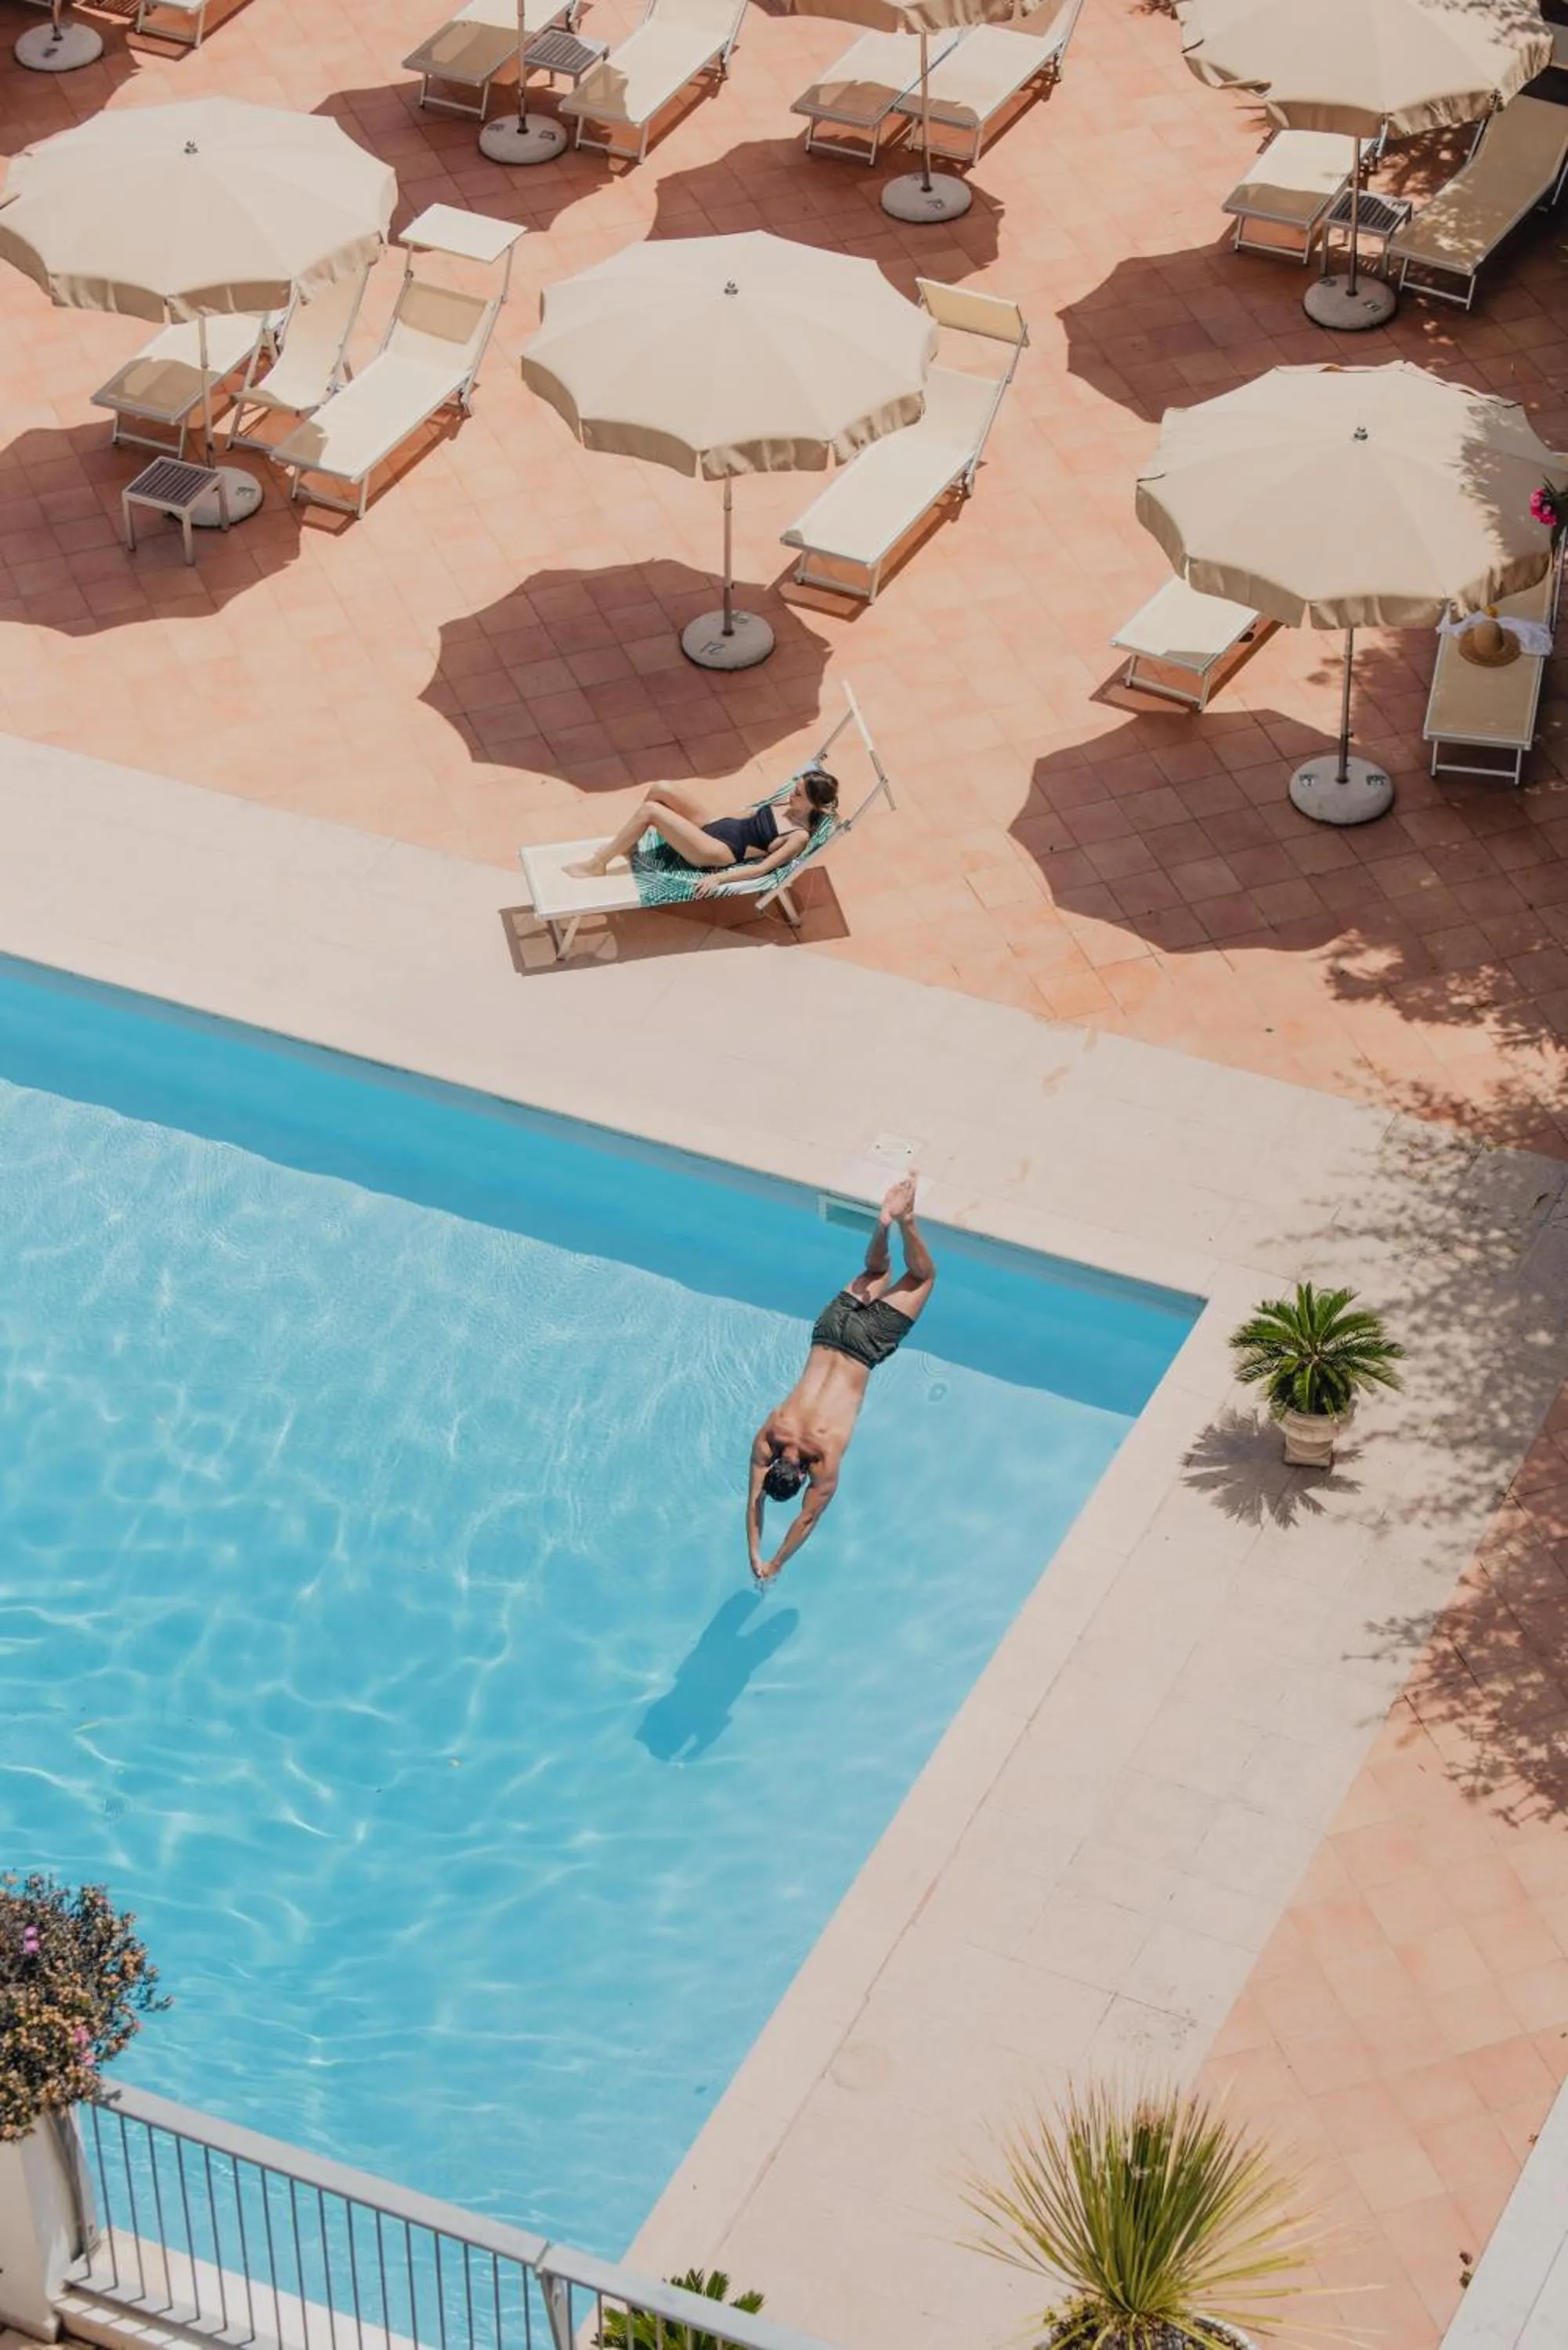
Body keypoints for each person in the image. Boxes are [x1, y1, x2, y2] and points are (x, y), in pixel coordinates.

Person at [747, 1174, 935, 1584]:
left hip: (865, 1347)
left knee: (923, 1278)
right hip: (829, 1332)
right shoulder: (770, 1436)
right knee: (876, 1270)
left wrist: (774, 1563)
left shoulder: (824, 1459)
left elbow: (808, 1518)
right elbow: (753, 1502)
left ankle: (907, 1221)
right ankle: (885, 1223)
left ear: (799, 1478)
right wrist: (753, 1551)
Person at [566, 770, 838, 898]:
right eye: (795, 787)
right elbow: (749, 815)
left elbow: (764, 869)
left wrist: (718, 878)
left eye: (798, 793)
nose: (791, 793)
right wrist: (714, 820)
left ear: (813, 803)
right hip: (715, 826)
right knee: (662, 786)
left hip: (717, 851)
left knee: (652, 811)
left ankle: (599, 863)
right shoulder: (786, 803)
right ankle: (628, 845)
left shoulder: (798, 836)